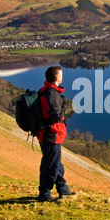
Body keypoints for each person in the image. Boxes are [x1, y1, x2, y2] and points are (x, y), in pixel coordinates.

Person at [37, 65, 75, 202]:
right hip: (51, 134)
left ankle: (63, 189)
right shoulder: (51, 94)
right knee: (50, 165)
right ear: (57, 77)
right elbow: (55, 116)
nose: (63, 76)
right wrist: (64, 104)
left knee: (55, 163)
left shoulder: (45, 90)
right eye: (61, 74)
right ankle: (44, 194)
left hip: (47, 134)